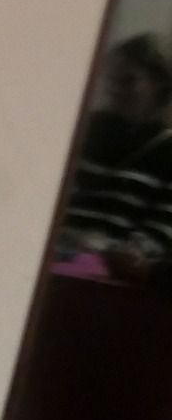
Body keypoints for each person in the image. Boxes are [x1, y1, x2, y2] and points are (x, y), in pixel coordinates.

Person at [58, 34, 172, 280]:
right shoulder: (85, 129)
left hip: (106, 271)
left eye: (128, 81)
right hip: (55, 252)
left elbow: (159, 232)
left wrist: (125, 253)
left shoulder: (167, 150)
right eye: (112, 80)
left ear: (160, 84)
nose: (116, 90)